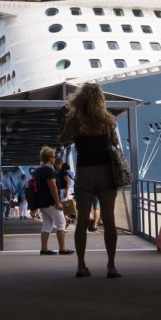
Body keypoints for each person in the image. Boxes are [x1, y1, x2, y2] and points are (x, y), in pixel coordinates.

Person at [59, 82, 121, 278]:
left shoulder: (75, 121)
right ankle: (111, 266)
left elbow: (62, 139)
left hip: (85, 173)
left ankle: (81, 265)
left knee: (82, 221)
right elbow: (115, 143)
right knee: (109, 220)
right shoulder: (108, 120)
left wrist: (65, 117)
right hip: (105, 172)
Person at [33, 146, 74, 256]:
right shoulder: (49, 170)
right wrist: (57, 202)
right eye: (54, 156)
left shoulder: (38, 170)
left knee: (47, 225)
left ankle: (44, 249)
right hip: (51, 202)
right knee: (61, 223)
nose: (55, 159)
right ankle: (63, 248)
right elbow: (53, 187)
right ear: (50, 157)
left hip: (42, 202)